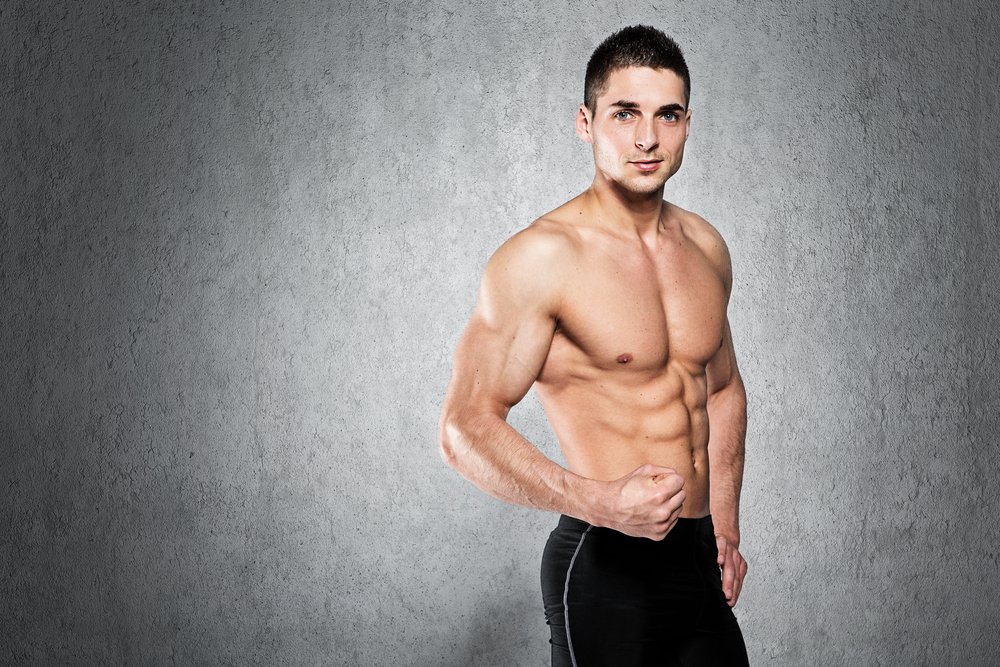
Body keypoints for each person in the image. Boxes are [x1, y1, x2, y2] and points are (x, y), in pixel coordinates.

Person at [438, 25, 750, 666]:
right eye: (625, 113)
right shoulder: (542, 259)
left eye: (667, 115)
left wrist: (725, 524)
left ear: (687, 124)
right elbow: (463, 428)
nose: (647, 139)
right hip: (605, 570)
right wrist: (598, 502)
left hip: (698, 566)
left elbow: (721, 390)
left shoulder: (706, 248)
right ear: (586, 122)